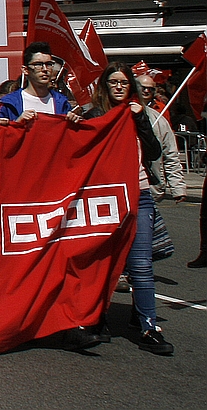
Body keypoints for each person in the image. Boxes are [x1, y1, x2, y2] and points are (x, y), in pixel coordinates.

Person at [79, 64, 171, 355]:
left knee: (141, 265)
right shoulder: (94, 114)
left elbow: (154, 152)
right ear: (105, 86)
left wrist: (141, 119)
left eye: (123, 82)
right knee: (102, 262)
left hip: (140, 195)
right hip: (104, 199)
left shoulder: (140, 113)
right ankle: (96, 318)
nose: (119, 87)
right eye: (113, 82)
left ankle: (148, 326)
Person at [0, 42, 79, 123]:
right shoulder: (9, 103)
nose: (45, 69)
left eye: (49, 64)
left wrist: (74, 123)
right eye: (38, 64)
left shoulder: (62, 102)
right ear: (25, 70)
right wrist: (17, 123)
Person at [136, 75, 186, 202]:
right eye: (143, 87)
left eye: (150, 89)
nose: (146, 91)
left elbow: (170, 153)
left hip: (151, 188)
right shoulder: (118, 114)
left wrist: (177, 188)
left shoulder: (159, 119)